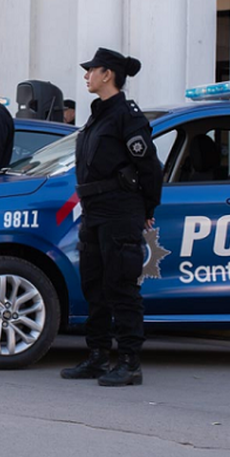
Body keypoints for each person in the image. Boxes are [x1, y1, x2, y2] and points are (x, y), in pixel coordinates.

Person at [60, 48, 162, 388]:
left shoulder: (126, 116)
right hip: (95, 211)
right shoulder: (97, 115)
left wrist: (147, 209)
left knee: (121, 287)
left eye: (92, 70)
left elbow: (149, 166)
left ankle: (130, 362)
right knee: (95, 287)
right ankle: (98, 355)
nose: (87, 75)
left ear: (108, 75)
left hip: (120, 210)